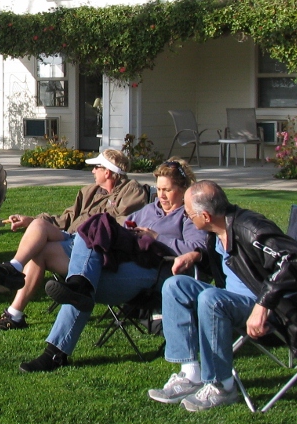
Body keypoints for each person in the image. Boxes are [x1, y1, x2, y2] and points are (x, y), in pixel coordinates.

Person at [18, 159, 210, 372]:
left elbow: (197, 249)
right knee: (94, 229)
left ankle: (55, 352)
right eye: (159, 189)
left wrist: (156, 237)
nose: (162, 196)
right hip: (124, 261)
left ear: (183, 189)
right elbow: (122, 227)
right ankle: (78, 287)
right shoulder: (149, 210)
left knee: (86, 284)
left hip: (155, 271)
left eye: (168, 190)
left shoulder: (188, 215)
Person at [149, 180, 297, 412]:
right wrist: (197, 256)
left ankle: (222, 386)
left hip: (274, 308)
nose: (186, 217)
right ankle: (191, 375)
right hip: (232, 300)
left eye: (188, 213)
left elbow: (293, 260)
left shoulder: (251, 229)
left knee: (211, 299)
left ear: (205, 216)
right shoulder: (216, 231)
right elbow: (234, 265)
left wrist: (263, 305)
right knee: (174, 286)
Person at [0, 147, 146, 331]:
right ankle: (13, 268)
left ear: (108, 172)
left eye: (96, 167)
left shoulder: (131, 191)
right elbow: (65, 219)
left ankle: (14, 313)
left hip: (93, 252)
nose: (93, 171)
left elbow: (122, 226)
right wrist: (29, 220)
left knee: (40, 252)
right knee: (39, 224)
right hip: (71, 239)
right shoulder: (90, 191)